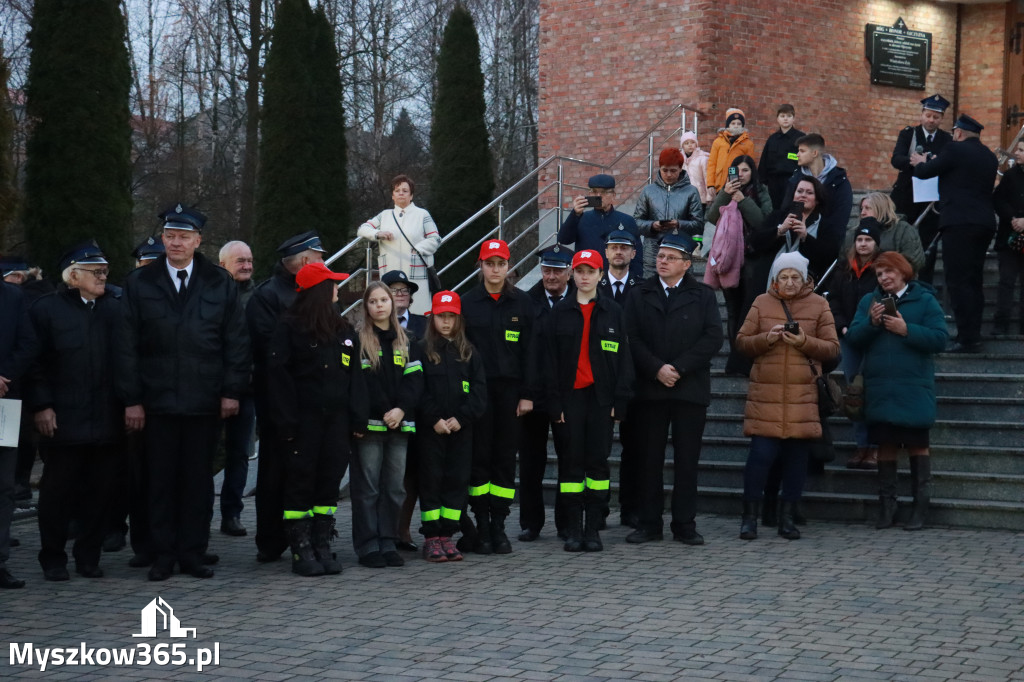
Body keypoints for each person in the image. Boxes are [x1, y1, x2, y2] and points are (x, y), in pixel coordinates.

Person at [117, 204, 250, 581]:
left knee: (197, 482)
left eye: (184, 237)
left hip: (204, 401)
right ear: (162, 240)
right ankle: (162, 554)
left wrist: (231, 392)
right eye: (170, 236)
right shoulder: (139, 283)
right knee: (158, 482)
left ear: (198, 241)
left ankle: (192, 552)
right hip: (155, 403)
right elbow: (126, 346)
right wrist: (132, 398)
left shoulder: (217, 281)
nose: (176, 243)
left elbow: (235, 342)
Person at [28, 242, 122, 581]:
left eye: (105, 270)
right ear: (73, 276)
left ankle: (88, 556)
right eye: (96, 271)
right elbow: (35, 364)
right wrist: (42, 405)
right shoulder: (46, 310)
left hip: (107, 419)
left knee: (100, 493)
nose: (103, 276)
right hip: (63, 420)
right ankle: (53, 557)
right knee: (57, 493)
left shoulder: (115, 308)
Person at [623, 232, 723, 545]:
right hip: (651, 391)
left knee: (687, 460)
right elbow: (632, 337)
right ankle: (649, 523)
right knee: (648, 459)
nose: (661, 261)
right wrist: (656, 369)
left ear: (686, 263)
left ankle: (684, 524)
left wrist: (678, 368)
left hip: (688, 390)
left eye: (669, 257)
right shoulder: (640, 294)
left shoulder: (703, 295)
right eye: (660, 256)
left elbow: (712, 338)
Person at [269, 262, 368, 576]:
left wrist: (357, 419)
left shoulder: (343, 330)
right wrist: (286, 422)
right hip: (304, 422)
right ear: (320, 291)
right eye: (333, 285)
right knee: (301, 482)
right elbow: (278, 378)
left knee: (328, 482)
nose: (338, 290)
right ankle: (301, 550)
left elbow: (354, 379)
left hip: (336, 422)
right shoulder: (289, 328)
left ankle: (321, 543)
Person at [734, 252, 839, 541]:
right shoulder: (761, 302)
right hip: (765, 396)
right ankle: (749, 518)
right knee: (759, 459)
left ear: (804, 279)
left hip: (802, 397)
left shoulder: (819, 304)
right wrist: (767, 338)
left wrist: (804, 341)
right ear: (775, 279)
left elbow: (832, 349)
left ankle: (787, 518)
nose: (790, 282)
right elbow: (742, 342)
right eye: (784, 276)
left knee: (796, 462)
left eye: (795, 277)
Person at [845, 252, 948, 531]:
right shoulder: (869, 301)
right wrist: (872, 324)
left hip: (913, 387)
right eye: (879, 274)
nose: (884, 278)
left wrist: (907, 329)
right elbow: (853, 338)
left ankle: (919, 508)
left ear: (903, 272)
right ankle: (887, 507)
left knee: (917, 444)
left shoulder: (924, 299)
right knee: (886, 445)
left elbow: (941, 338)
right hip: (881, 388)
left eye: (889, 272)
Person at [541, 249, 633, 552]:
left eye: (590, 271)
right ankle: (572, 529)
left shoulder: (613, 312)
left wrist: (620, 402)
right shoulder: (560, 312)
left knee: (598, 465)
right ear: (572, 274)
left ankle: (593, 529)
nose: (584, 276)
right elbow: (549, 363)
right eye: (579, 271)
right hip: (570, 400)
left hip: (601, 400)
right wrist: (554, 404)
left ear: (600, 275)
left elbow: (624, 361)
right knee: (570, 465)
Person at [247, 231, 327, 563]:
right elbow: (269, 351)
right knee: (274, 469)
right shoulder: (267, 296)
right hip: (277, 400)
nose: (324, 262)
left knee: (306, 470)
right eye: (319, 256)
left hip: (311, 401)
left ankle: (305, 535)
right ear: (305, 261)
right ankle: (270, 539)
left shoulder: (313, 292)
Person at [461, 239, 537, 555]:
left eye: (501, 264)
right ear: (481, 265)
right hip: (478, 394)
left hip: (511, 394)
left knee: (505, 461)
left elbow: (532, 353)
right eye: (489, 263)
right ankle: (481, 523)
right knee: (479, 460)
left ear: (508, 267)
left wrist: (528, 395)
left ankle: (499, 525)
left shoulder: (522, 303)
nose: (495, 269)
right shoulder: (466, 304)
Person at [912, 114, 999, 353]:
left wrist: (920, 161)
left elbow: (925, 172)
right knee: (974, 279)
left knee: (958, 280)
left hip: (958, 222)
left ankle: (966, 337)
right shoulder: (989, 156)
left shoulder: (954, 149)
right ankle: (974, 333)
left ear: (958, 133)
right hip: (984, 222)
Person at [352, 282, 423, 569]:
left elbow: (415, 380)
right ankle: (369, 546)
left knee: (395, 488)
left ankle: (388, 541)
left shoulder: (408, 340)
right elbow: (365, 382)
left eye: (385, 300)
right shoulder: (359, 339)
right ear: (366, 307)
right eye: (374, 301)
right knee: (368, 489)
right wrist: (386, 410)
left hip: (400, 425)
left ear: (393, 304)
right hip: (371, 426)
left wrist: (401, 409)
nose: (380, 305)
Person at [417, 291, 487, 562]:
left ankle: (447, 535)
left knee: (456, 481)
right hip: (431, 430)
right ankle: (431, 537)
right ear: (432, 318)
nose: (445, 322)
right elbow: (418, 390)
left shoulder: (469, 353)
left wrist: (462, 418)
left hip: (460, 430)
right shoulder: (421, 350)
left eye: (450, 317)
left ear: (459, 320)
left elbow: (479, 392)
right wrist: (434, 419)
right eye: (440, 316)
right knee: (432, 481)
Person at [519, 245, 573, 541]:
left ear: (569, 271)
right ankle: (531, 522)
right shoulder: (527, 303)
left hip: (567, 395)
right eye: (546, 270)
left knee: (569, 460)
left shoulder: (581, 300)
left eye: (557, 270)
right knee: (531, 462)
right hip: (534, 395)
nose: (551, 276)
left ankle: (566, 522)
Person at [705, 155, 773, 377]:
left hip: (752, 259)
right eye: (737, 170)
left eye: (745, 170)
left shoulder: (760, 191)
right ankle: (734, 358)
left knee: (748, 310)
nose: (741, 175)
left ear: (752, 172)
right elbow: (711, 216)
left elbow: (763, 222)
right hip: (728, 258)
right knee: (733, 310)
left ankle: (746, 359)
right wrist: (725, 193)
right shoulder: (726, 191)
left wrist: (743, 200)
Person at [829, 219, 883, 469]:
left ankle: (875, 447)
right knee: (855, 394)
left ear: (876, 244)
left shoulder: (882, 270)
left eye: (868, 240)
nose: (863, 244)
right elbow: (834, 302)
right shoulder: (843, 271)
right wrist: (842, 326)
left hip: (875, 338)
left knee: (873, 392)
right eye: (859, 240)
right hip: (849, 338)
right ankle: (862, 445)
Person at [384, 269, 427, 553]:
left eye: (405, 290)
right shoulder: (374, 326)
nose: (401, 294)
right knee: (387, 475)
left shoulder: (426, 325)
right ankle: (383, 531)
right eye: (395, 289)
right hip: (388, 411)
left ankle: (403, 529)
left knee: (413, 473)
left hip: (422, 411)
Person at [217, 240, 257, 538]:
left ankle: (231, 514)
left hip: (248, 389)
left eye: (249, 260)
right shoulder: (210, 295)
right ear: (223, 265)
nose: (246, 265)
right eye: (239, 261)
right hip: (212, 389)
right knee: (205, 454)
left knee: (240, 453)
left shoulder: (259, 298)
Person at [358, 174, 441, 315]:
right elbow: (362, 229)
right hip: (390, 272)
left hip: (416, 274)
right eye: (397, 190)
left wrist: (418, 249)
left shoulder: (422, 215)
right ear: (392, 195)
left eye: (405, 190)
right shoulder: (384, 215)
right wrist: (377, 233)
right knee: (390, 313)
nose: (401, 193)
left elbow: (435, 239)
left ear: (411, 195)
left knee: (418, 314)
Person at [891, 94, 952, 283]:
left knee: (928, 245)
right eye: (928, 115)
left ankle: (925, 284)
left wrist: (929, 162)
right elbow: (896, 159)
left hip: (931, 200)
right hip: (907, 196)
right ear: (922, 115)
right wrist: (915, 162)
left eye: (936, 117)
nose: (931, 120)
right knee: (901, 240)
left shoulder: (946, 139)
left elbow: (949, 163)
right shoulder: (909, 133)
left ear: (941, 119)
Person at [0, 276, 37, 588]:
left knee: (3, 485)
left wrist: (5, 376)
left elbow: (28, 343)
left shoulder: (13, 297)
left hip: (4, 403)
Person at [781, 133, 854, 274]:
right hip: (793, 246)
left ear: (814, 153)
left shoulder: (839, 181)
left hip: (824, 248)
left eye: (802, 151)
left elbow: (840, 218)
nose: (797, 155)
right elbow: (785, 208)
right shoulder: (795, 178)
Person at [633, 147, 705, 278]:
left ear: (680, 169)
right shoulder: (648, 191)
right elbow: (636, 222)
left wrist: (678, 224)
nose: (669, 174)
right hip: (652, 256)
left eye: (673, 171)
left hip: (680, 253)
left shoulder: (691, 191)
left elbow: (699, 224)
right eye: (664, 170)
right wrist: (652, 225)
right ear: (659, 168)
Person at [754, 176, 838, 286]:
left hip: (805, 286)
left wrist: (805, 237)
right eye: (799, 191)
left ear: (817, 199)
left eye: (809, 192)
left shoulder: (825, 225)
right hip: (769, 283)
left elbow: (829, 256)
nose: (803, 195)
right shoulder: (777, 216)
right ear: (794, 195)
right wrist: (779, 231)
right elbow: (755, 242)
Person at [557, 174, 643, 278]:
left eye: (603, 192)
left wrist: (635, 279)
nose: (598, 195)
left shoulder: (626, 220)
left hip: (615, 278)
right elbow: (564, 239)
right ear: (589, 194)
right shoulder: (581, 218)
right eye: (594, 191)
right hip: (588, 278)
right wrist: (574, 214)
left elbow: (637, 255)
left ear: (613, 195)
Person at [842, 193, 925, 274]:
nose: (862, 213)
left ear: (881, 209)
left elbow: (914, 261)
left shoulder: (903, 230)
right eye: (861, 209)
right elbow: (843, 261)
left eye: (867, 208)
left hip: (894, 281)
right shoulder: (853, 234)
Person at [991, 139, 1024, 336]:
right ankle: (1000, 324)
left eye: (1021, 150)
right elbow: (998, 200)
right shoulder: (1010, 176)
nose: (1017, 153)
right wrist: (1013, 218)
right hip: (1009, 238)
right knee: (1006, 282)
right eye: (1018, 148)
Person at [758, 104, 805, 210]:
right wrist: (761, 183)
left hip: (792, 182)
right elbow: (763, 163)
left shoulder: (801, 138)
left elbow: (806, 161)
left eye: (789, 116)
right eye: (782, 116)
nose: (785, 119)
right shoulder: (772, 139)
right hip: (773, 183)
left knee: (788, 210)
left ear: (794, 119)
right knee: (774, 211)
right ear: (777, 119)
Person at [706, 108, 755, 200]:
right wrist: (710, 184)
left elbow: (750, 165)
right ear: (728, 124)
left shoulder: (748, 143)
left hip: (738, 183)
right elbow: (712, 164)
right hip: (720, 184)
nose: (736, 126)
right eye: (733, 123)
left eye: (739, 124)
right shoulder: (718, 142)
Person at [598, 226, 641, 304]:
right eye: (614, 248)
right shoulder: (595, 286)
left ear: (633, 254)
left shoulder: (642, 288)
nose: (618, 252)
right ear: (606, 253)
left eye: (624, 248)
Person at [383, 270, 428, 339]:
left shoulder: (425, 324)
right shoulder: (376, 325)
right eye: (393, 290)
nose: (400, 294)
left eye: (405, 290)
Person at [680, 131, 710, 206]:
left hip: (701, 198)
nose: (690, 145)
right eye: (686, 143)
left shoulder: (703, 159)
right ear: (682, 146)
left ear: (696, 144)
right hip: (684, 197)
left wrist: (709, 196)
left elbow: (707, 178)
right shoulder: (680, 160)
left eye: (692, 142)